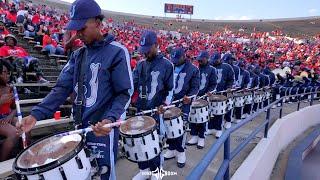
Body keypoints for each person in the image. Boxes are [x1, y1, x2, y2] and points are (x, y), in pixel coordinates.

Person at [16, 0, 133, 179]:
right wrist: (35, 115)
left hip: (102, 130)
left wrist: (109, 119)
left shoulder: (117, 51)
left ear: (98, 23)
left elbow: (124, 93)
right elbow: (61, 89)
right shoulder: (78, 55)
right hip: (78, 129)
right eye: (75, 28)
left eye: (82, 28)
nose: (77, 33)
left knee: (104, 175)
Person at [132, 30, 174, 180]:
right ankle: (144, 170)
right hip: (141, 110)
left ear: (156, 45)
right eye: (143, 50)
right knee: (139, 142)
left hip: (156, 110)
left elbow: (170, 89)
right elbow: (133, 85)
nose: (145, 54)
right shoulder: (140, 64)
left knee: (154, 142)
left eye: (148, 50)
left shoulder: (167, 65)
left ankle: (157, 170)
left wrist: (164, 104)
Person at [163, 47, 200, 168]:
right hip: (169, 102)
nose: (174, 61)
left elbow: (195, 87)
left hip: (183, 103)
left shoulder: (193, 69)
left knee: (180, 128)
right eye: (173, 59)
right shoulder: (170, 66)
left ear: (184, 57)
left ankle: (180, 151)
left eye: (177, 59)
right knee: (168, 126)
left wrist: (189, 96)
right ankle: (171, 147)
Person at [187, 50, 216, 149]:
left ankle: (201, 137)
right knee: (193, 117)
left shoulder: (212, 70)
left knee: (202, 118)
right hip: (194, 96)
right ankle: (194, 135)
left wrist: (209, 92)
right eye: (198, 59)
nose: (199, 61)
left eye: (201, 60)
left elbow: (213, 84)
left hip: (204, 97)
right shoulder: (195, 68)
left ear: (207, 59)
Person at [207, 52, 234, 138]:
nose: (214, 61)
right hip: (211, 92)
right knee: (211, 111)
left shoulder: (227, 67)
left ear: (220, 59)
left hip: (222, 92)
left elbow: (231, 79)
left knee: (219, 111)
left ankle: (218, 129)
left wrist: (229, 87)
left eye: (216, 60)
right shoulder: (210, 67)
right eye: (213, 60)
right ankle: (211, 128)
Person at [0, 60, 19, 161]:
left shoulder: (10, 88)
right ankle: (2, 166)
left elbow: (15, 107)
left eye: (8, 73)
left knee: (25, 126)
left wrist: (10, 116)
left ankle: (25, 157)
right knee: (13, 133)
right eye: (4, 72)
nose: (7, 75)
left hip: (7, 116)